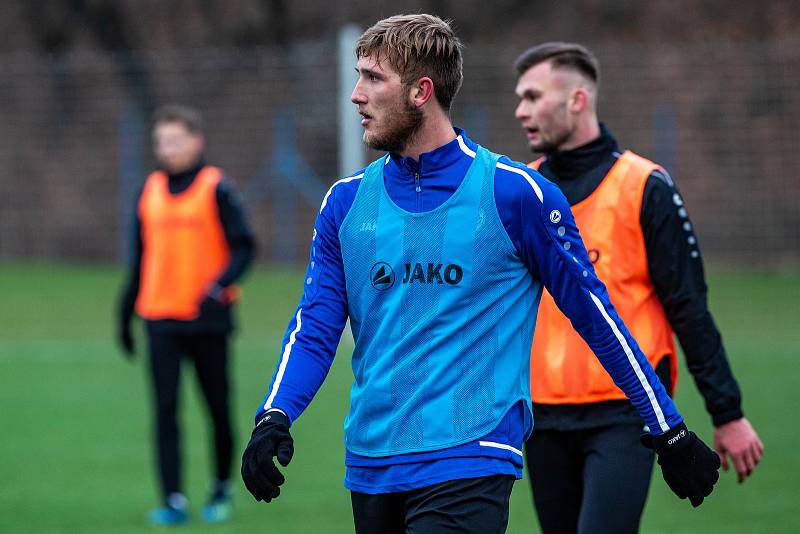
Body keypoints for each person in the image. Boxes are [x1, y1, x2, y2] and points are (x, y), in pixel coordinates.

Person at [241, 15, 720, 533]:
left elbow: (597, 318)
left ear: (422, 91)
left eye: (372, 77)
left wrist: (667, 428)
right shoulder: (345, 202)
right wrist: (275, 414)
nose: (355, 94)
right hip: (370, 464)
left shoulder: (516, 196)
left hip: (470, 458)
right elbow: (313, 331)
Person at [512, 42, 764, 534]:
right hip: (541, 418)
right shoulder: (525, 189)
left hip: (625, 413)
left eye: (533, 96)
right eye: (519, 97)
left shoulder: (644, 185)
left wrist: (727, 413)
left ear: (577, 100)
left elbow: (689, 308)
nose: (520, 110)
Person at [117, 104, 255, 525]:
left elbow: (244, 246)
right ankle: (173, 499)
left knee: (216, 408)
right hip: (159, 318)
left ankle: (221, 488)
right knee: (165, 411)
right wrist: (123, 314)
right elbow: (140, 259)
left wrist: (218, 288)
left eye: (176, 140)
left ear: (197, 141)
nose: (168, 149)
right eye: (161, 142)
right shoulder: (150, 190)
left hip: (208, 321)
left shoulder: (216, 188)